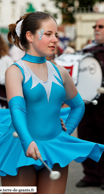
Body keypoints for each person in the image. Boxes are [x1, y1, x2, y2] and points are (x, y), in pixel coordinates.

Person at [0, 12, 104, 194]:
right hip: (20, 148)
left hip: (54, 149)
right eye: (48, 34)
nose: (54, 40)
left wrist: (67, 127)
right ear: (30, 36)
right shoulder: (15, 70)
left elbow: (78, 105)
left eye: (56, 35)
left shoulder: (61, 72)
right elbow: (17, 108)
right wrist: (27, 141)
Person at [76, 18, 104, 190]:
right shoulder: (86, 51)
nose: (96, 29)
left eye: (101, 26)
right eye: (95, 26)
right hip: (87, 104)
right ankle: (92, 175)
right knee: (87, 138)